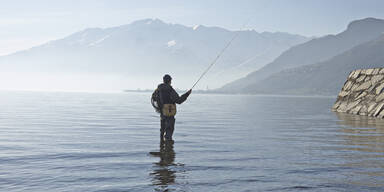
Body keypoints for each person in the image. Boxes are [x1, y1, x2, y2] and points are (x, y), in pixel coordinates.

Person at [157, 74, 191, 142]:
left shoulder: (158, 89)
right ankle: (169, 149)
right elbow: (179, 100)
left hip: (162, 113)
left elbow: (155, 99)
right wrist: (187, 94)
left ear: (163, 80)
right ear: (170, 81)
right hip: (170, 114)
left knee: (162, 131)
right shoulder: (170, 89)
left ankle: (161, 147)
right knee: (168, 133)